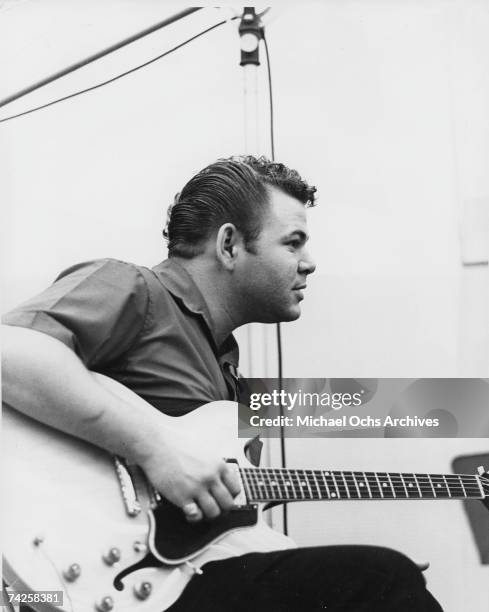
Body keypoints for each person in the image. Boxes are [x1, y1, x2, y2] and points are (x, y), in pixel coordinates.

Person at [2, 155, 443, 611]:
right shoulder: (136, 289)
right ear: (229, 245)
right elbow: (11, 351)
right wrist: (157, 450)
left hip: (162, 583)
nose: (309, 263)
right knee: (380, 578)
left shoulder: (232, 379)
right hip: (74, 571)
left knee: (383, 579)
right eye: (293, 243)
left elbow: (222, 541)